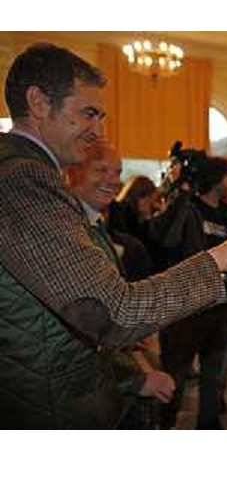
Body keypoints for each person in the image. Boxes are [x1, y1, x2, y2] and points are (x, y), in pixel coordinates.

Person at [0, 43, 227, 429]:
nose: (98, 131)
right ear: (38, 102)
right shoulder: (25, 177)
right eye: (88, 113)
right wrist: (217, 262)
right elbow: (111, 311)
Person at [65, 142, 174, 428]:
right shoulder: (71, 228)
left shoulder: (93, 222)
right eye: (101, 170)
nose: (113, 180)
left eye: (117, 172)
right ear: (73, 171)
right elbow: (79, 327)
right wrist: (135, 379)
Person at [148, 150, 227, 429]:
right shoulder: (189, 208)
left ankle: (208, 423)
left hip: (219, 305)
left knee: (214, 372)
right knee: (176, 370)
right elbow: (163, 238)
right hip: (186, 306)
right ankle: (165, 423)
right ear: (215, 178)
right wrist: (182, 195)